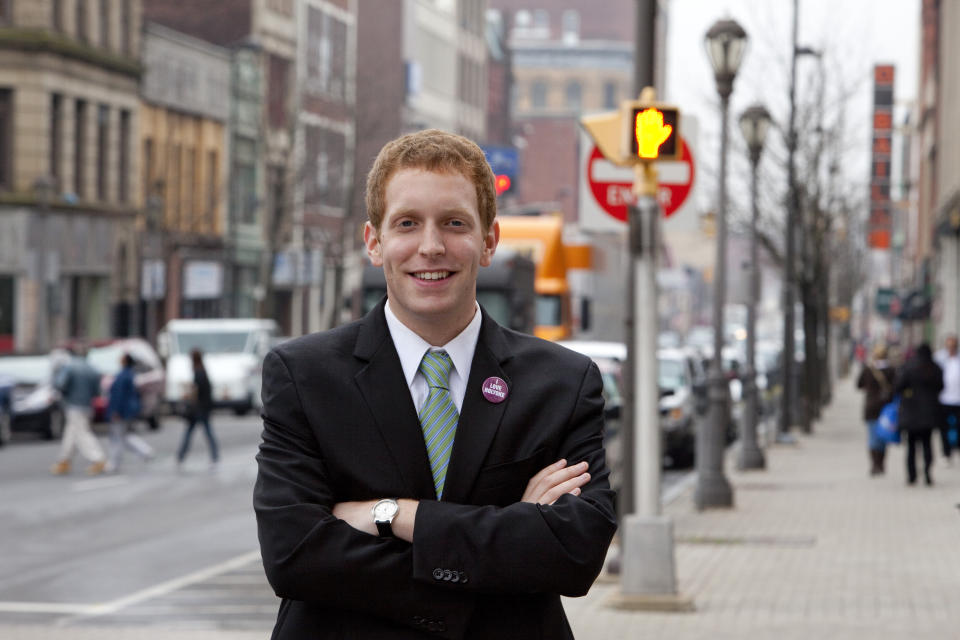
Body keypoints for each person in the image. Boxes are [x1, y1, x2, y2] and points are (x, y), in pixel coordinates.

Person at [254, 129, 616, 639]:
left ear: (489, 241)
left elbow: (574, 553)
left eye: (454, 223)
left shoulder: (562, 383)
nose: (430, 246)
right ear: (375, 242)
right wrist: (509, 532)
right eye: (407, 223)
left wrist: (393, 515)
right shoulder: (305, 376)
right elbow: (294, 555)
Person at [50, 345, 107, 476]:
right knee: (71, 433)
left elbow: (60, 384)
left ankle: (98, 458)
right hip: (87, 405)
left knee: (82, 433)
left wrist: (54, 374)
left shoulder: (70, 367)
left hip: (73, 405)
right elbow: (97, 391)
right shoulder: (92, 368)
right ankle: (64, 461)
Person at [895, 343, 944, 486]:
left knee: (911, 446)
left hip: (911, 414)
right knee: (927, 445)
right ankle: (928, 474)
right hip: (929, 414)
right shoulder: (935, 368)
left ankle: (912, 476)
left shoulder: (908, 367)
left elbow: (898, 387)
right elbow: (941, 386)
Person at [104, 353, 154, 473]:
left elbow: (119, 395)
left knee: (117, 438)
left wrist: (116, 411)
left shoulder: (123, 376)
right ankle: (145, 451)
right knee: (124, 436)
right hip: (127, 411)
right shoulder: (130, 375)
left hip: (121, 411)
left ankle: (114, 463)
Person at [176, 348, 219, 471]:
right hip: (203, 408)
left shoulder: (198, 372)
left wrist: (189, 399)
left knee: (194, 433)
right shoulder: (202, 371)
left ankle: (181, 456)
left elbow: (196, 391)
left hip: (199, 408)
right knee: (204, 432)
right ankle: (182, 456)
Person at [856, 344, 895, 475]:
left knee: (872, 437)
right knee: (883, 436)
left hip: (871, 406)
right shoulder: (891, 370)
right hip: (886, 407)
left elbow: (859, 384)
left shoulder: (868, 369)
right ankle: (881, 464)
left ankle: (874, 465)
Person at [934, 333, 960, 464]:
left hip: (958, 398)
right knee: (943, 428)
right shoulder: (940, 358)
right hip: (944, 398)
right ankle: (946, 452)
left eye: (953, 345)